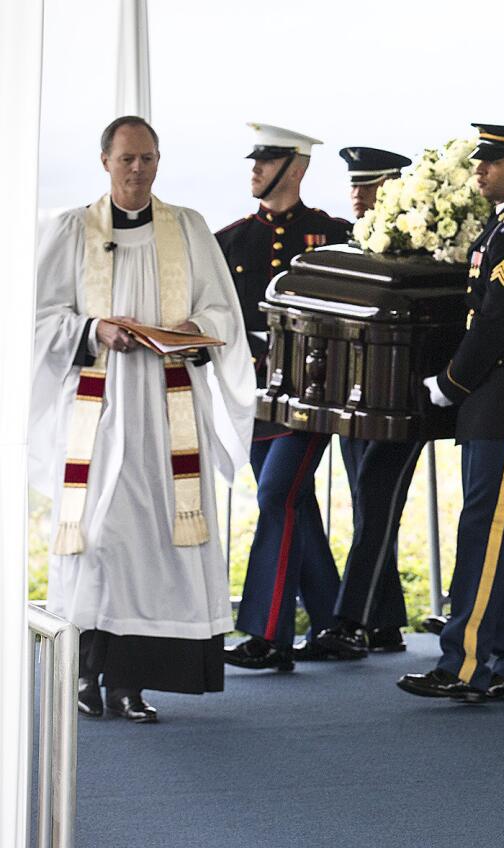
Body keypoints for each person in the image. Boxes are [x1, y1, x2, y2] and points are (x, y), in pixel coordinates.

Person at [31, 116, 255, 722]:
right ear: (105, 160)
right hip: (99, 413)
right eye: (128, 158)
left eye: (148, 158)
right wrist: (93, 328)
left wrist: (190, 330)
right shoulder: (73, 230)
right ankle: (84, 672)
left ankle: (130, 683)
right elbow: (37, 320)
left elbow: (223, 314)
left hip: (166, 412)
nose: (138, 169)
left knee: (157, 545)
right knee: (98, 541)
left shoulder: (187, 229)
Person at [397, 123, 504, 703]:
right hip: (503, 395)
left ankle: (464, 664)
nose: (480, 169)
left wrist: (451, 382)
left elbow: (498, 319)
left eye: (492, 162)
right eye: (481, 160)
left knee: (486, 528)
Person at [217, 123, 354, 671]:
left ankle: (267, 634)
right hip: (253, 396)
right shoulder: (229, 240)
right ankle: (332, 624)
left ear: (294, 170)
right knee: (296, 502)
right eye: (254, 160)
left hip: (311, 395)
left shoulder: (332, 235)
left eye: (267, 161)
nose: (255, 169)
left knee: (276, 496)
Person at [312, 145, 418, 659]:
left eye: (370, 185)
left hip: (399, 399)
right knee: (369, 507)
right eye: (354, 185)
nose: (358, 194)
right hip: (361, 397)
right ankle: (385, 623)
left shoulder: (418, 243)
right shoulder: (352, 242)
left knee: (376, 504)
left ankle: (351, 621)